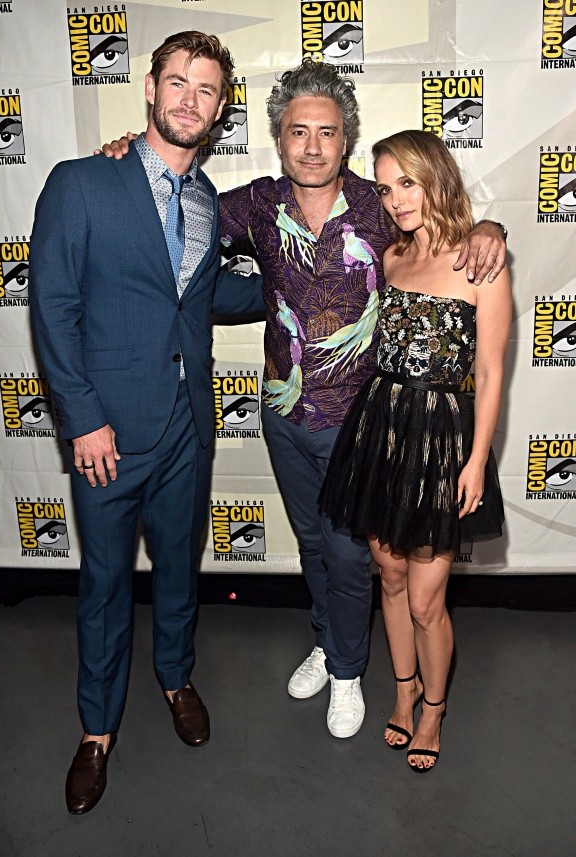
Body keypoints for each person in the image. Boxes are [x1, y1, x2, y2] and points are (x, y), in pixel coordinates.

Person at [100, 61, 508, 739]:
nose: (313, 146)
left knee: (355, 557)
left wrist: (492, 227)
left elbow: (443, 220)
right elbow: (176, 208)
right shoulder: (254, 203)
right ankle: (328, 641)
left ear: (346, 139)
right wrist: (130, 159)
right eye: (299, 132)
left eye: (327, 132)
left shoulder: (381, 207)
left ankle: (349, 671)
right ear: (279, 138)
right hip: (284, 414)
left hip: (363, 421)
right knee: (314, 543)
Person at [30, 31, 264, 815]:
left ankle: (175, 674)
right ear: (150, 89)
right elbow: (53, 308)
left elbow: (201, 297)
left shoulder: (207, 201)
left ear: (220, 105)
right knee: (102, 583)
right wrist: (83, 420)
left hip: (186, 430)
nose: (188, 99)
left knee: (178, 570)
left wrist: (306, 287)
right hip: (108, 434)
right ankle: (97, 730)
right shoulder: (81, 182)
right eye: (177, 82)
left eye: (205, 89)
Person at [319, 129, 511, 769]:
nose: (396, 198)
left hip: (443, 439)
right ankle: (402, 696)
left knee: (429, 600)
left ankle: (434, 708)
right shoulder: (390, 256)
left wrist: (478, 459)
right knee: (392, 578)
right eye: (384, 186)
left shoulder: (481, 262)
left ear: (436, 177)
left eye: (408, 182)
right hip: (382, 429)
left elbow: (489, 371)